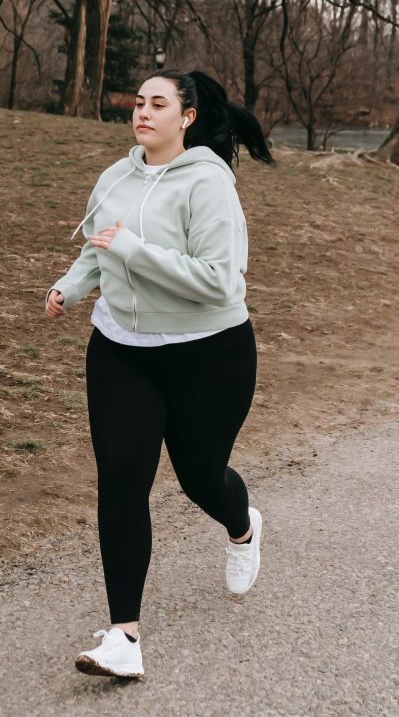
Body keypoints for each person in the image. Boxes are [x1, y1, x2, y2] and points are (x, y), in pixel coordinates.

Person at [44, 69, 275, 679]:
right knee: (121, 479)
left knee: (200, 477)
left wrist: (131, 251)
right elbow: (100, 246)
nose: (143, 112)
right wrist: (70, 288)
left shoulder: (209, 185)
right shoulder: (114, 177)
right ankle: (124, 637)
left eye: (159, 103)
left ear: (188, 116)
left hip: (210, 353)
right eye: (139, 102)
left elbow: (219, 280)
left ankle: (242, 525)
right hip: (122, 348)